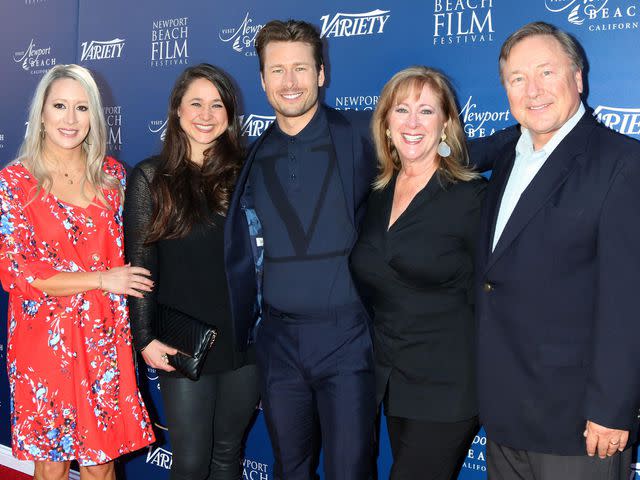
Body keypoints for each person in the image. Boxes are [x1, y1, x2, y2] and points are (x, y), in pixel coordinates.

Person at [476, 21, 640, 479]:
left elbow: (628, 300)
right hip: (506, 412)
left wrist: (612, 406)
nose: (533, 90)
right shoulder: (509, 154)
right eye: (517, 79)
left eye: (547, 72)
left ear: (578, 78)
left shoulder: (623, 164)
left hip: (577, 425)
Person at [223, 19, 377, 479]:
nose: (289, 83)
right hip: (277, 343)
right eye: (277, 71)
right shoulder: (246, 156)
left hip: (348, 339)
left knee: (351, 470)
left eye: (300, 69)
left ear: (321, 73)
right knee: (291, 469)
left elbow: (439, 153)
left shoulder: (361, 135)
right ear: (262, 80)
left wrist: (530, 137)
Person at [0, 64, 155, 480]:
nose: (70, 119)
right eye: (60, 106)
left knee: (101, 467)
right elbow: (17, 272)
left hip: (104, 338)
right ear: (42, 113)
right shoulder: (14, 182)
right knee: (50, 467)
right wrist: (102, 279)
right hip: (43, 344)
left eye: (82, 107)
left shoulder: (114, 177)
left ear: (95, 116)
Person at [124, 64, 259, 480]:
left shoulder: (249, 172)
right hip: (183, 339)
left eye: (217, 104)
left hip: (245, 340)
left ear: (230, 113)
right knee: (189, 459)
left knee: (227, 454)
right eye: (195, 103)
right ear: (177, 111)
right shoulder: (151, 177)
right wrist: (145, 337)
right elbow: (141, 265)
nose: (206, 114)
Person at [350, 66, 485, 480]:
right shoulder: (373, 194)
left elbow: (497, 293)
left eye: (426, 111)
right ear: (386, 123)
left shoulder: (471, 197)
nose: (412, 123)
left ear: (445, 124)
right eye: (402, 110)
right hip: (390, 380)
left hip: (449, 384)